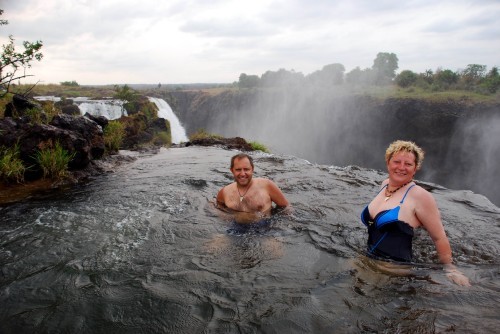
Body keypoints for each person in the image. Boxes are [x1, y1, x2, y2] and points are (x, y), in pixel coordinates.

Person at [360, 140, 470, 286]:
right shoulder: (385, 184)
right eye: (397, 162)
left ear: (416, 168)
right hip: (367, 258)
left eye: (408, 164)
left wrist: (450, 268)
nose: (401, 167)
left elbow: (439, 237)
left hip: (395, 271)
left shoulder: (421, 196)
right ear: (388, 162)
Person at [216, 153, 290, 224]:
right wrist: (226, 217)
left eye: (246, 169)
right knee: (216, 237)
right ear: (232, 171)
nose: (242, 174)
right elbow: (217, 207)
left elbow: (286, 207)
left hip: (265, 227)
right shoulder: (224, 192)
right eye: (238, 170)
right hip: (235, 228)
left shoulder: (267, 185)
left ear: (252, 169)